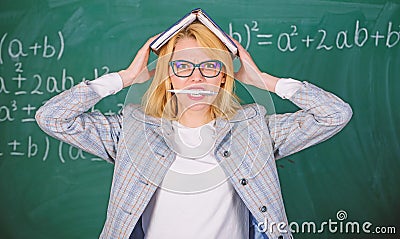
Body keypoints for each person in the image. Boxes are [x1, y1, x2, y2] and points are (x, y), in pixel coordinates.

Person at [36, 22, 352, 239]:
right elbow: (52, 118)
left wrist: (264, 81)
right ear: (168, 77)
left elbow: (334, 115)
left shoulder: (253, 131)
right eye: (182, 66)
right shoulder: (132, 131)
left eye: (209, 66)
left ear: (223, 78)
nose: (196, 78)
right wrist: (125, 77)